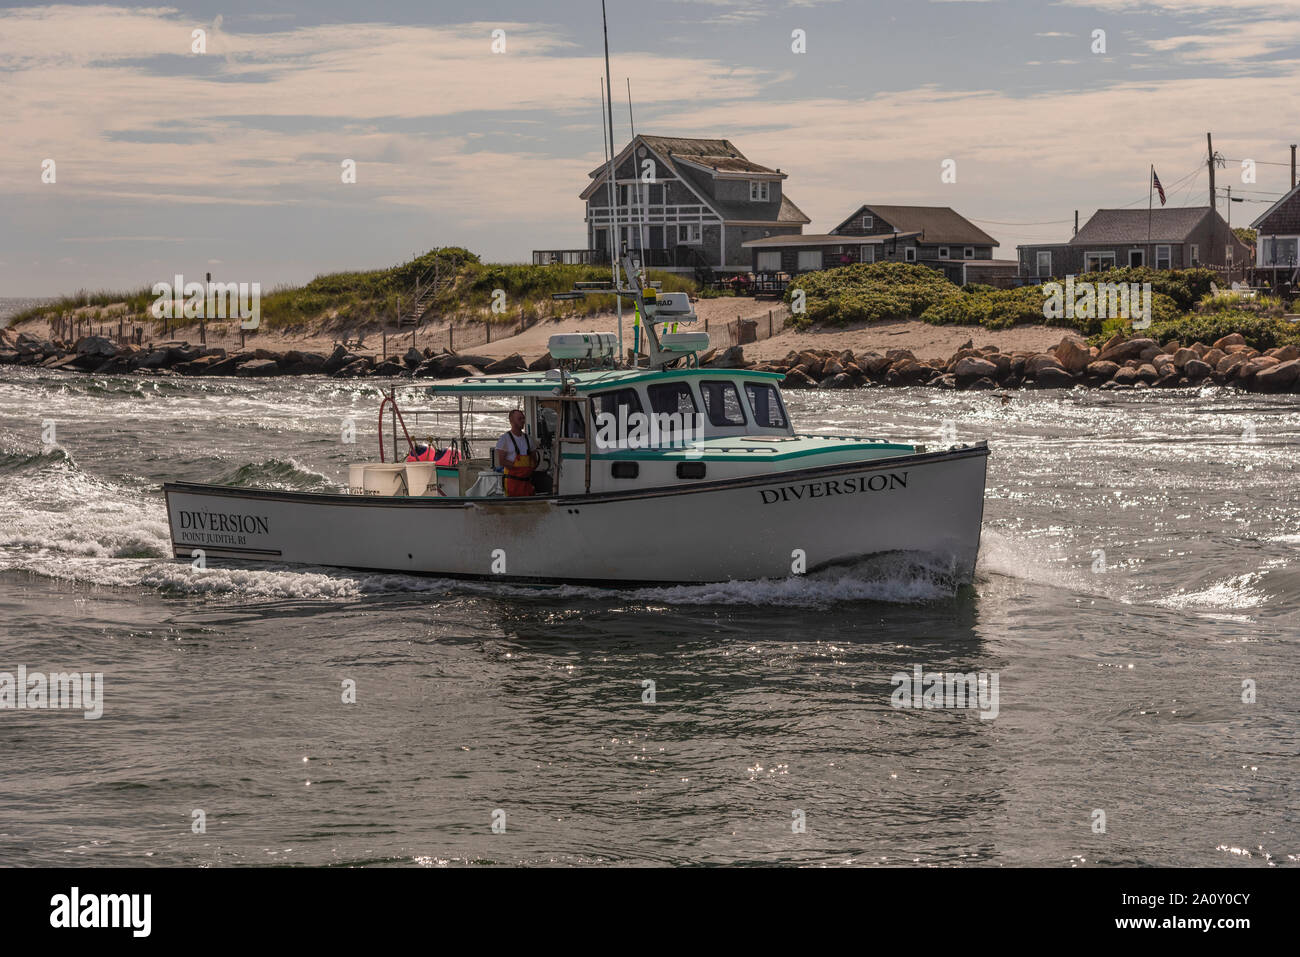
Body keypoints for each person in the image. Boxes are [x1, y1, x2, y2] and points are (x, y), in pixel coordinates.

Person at [496, 409, 538, 497]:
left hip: (527, 483)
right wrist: (518, 468)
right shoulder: (504, 439)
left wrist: (528, 469)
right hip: (512, 483)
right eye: (519, 419)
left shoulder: (529, 439)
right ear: (511, 421)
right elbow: (502, 461)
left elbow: (534, 460)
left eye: (523, 418)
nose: (523, 421)